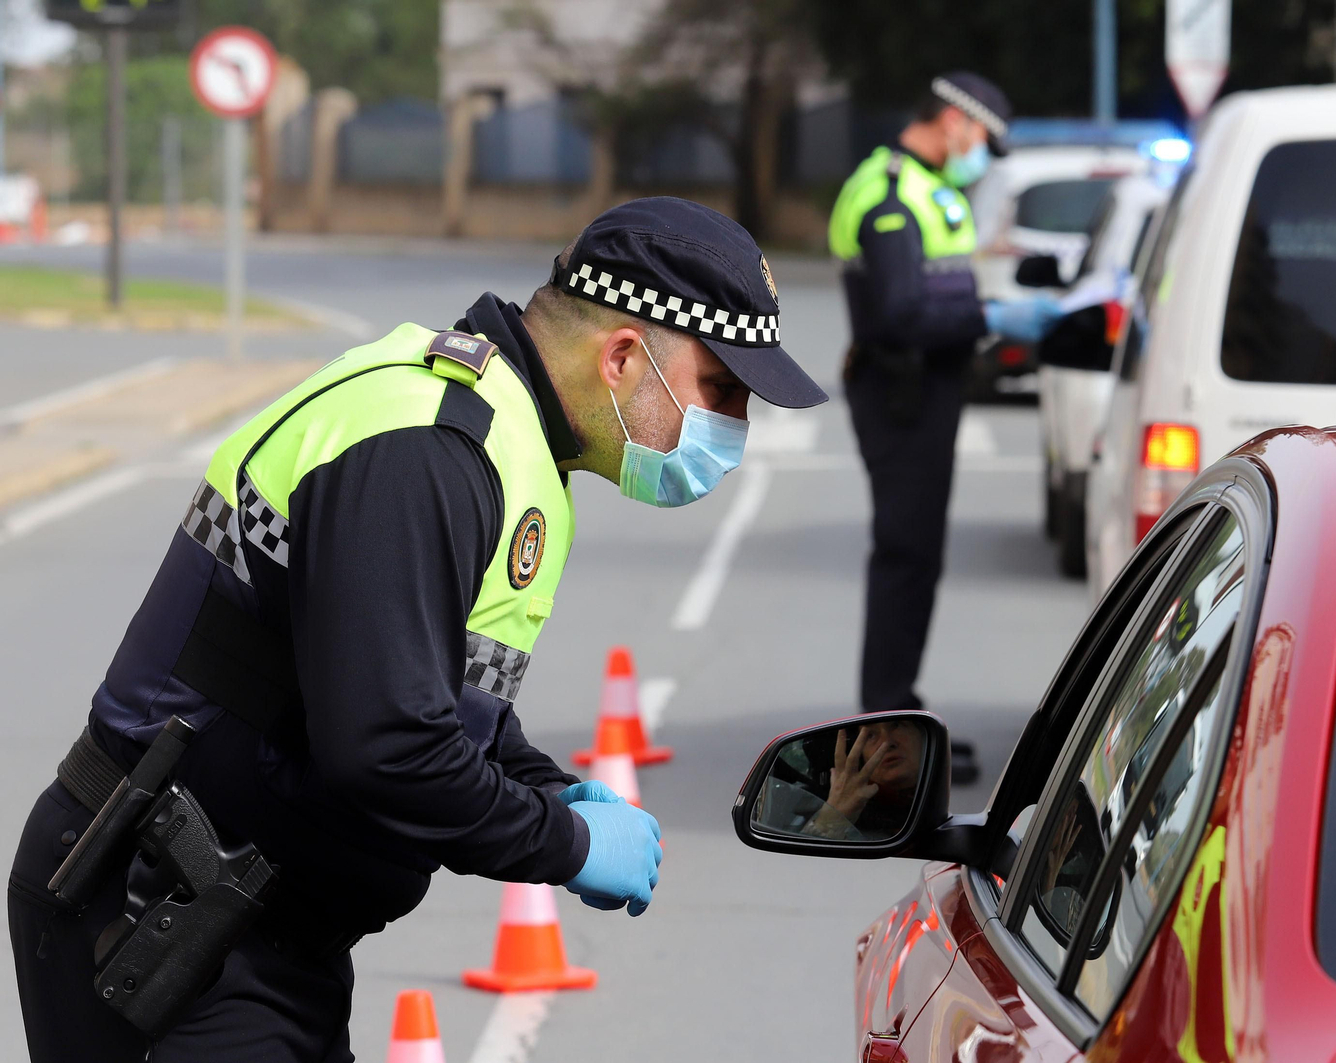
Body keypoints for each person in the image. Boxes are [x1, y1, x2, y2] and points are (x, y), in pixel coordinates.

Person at [8, 197, 827, 1063]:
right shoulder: (429, 452)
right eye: (723, 391)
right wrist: (568, 843)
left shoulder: (498, 439)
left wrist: (548, 789)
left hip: (242, 930)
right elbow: (389, 743)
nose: (735, 428)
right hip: (156, 923)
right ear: (624, 356)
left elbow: (432, 691)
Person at [829, 73, 1064, 783]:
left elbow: (940, 280)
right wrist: (993, 319)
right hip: (902, 391)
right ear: (957, 123)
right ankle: (883, 736)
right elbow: (900, 313)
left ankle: (896, 714)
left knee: (917, 555)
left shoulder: (928, 190)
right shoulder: (891, 195)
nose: (984, 156)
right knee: (904, 555)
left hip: (926, 391)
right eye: (984, 141)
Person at [801, 720, 927, 841]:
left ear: (924, 736)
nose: (887, 743)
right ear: (861, 757)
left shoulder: (940, 790)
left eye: (896, 725)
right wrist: (833, 818)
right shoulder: (857, 817)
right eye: (870, 735)